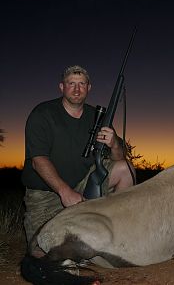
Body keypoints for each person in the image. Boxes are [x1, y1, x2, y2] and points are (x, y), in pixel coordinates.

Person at [22, 65, 135, 244]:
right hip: (47, 195)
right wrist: (64, 191)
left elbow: (119, 158)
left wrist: (114, 144)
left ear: (88, 88)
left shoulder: (97, 116)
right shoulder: (42, 113)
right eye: (71, 83)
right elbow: (38, 160)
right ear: (62, 87)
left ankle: (116, 233)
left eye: (82, 84)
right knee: (42, 251)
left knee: (125, 168)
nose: (77, 89)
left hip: (84, 185)